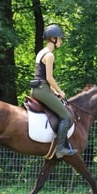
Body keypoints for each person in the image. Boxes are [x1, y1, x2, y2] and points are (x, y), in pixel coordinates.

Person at [30, 24, 77, 159]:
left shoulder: (41, 52)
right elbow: (49, 78)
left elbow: (40, 75)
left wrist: (53, 92)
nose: (61, 41)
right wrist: (60, 91)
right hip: (42, 90)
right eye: (60, 39)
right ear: (53, 39)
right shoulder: (49, 55)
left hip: (38, 88)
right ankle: (60, 148)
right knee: (66, 116)